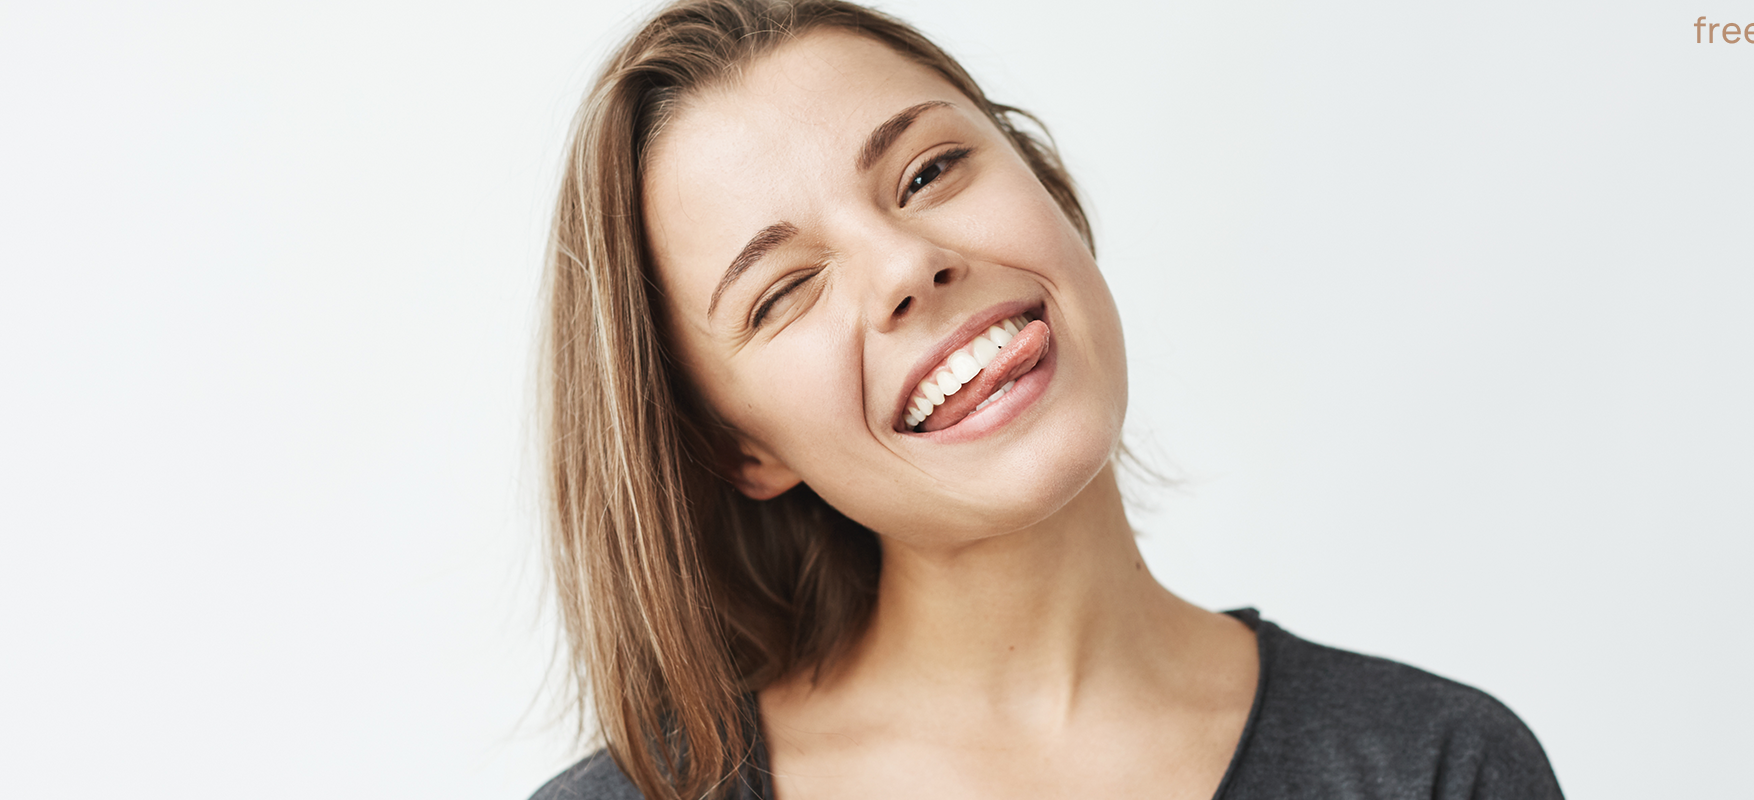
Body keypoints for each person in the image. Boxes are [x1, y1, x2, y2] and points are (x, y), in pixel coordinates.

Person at [529, 1, 1562, 798]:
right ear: (736, 447)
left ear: (1052, 191)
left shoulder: (1436, 765)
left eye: (930, 171)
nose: (908, 264)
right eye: (785, 289)